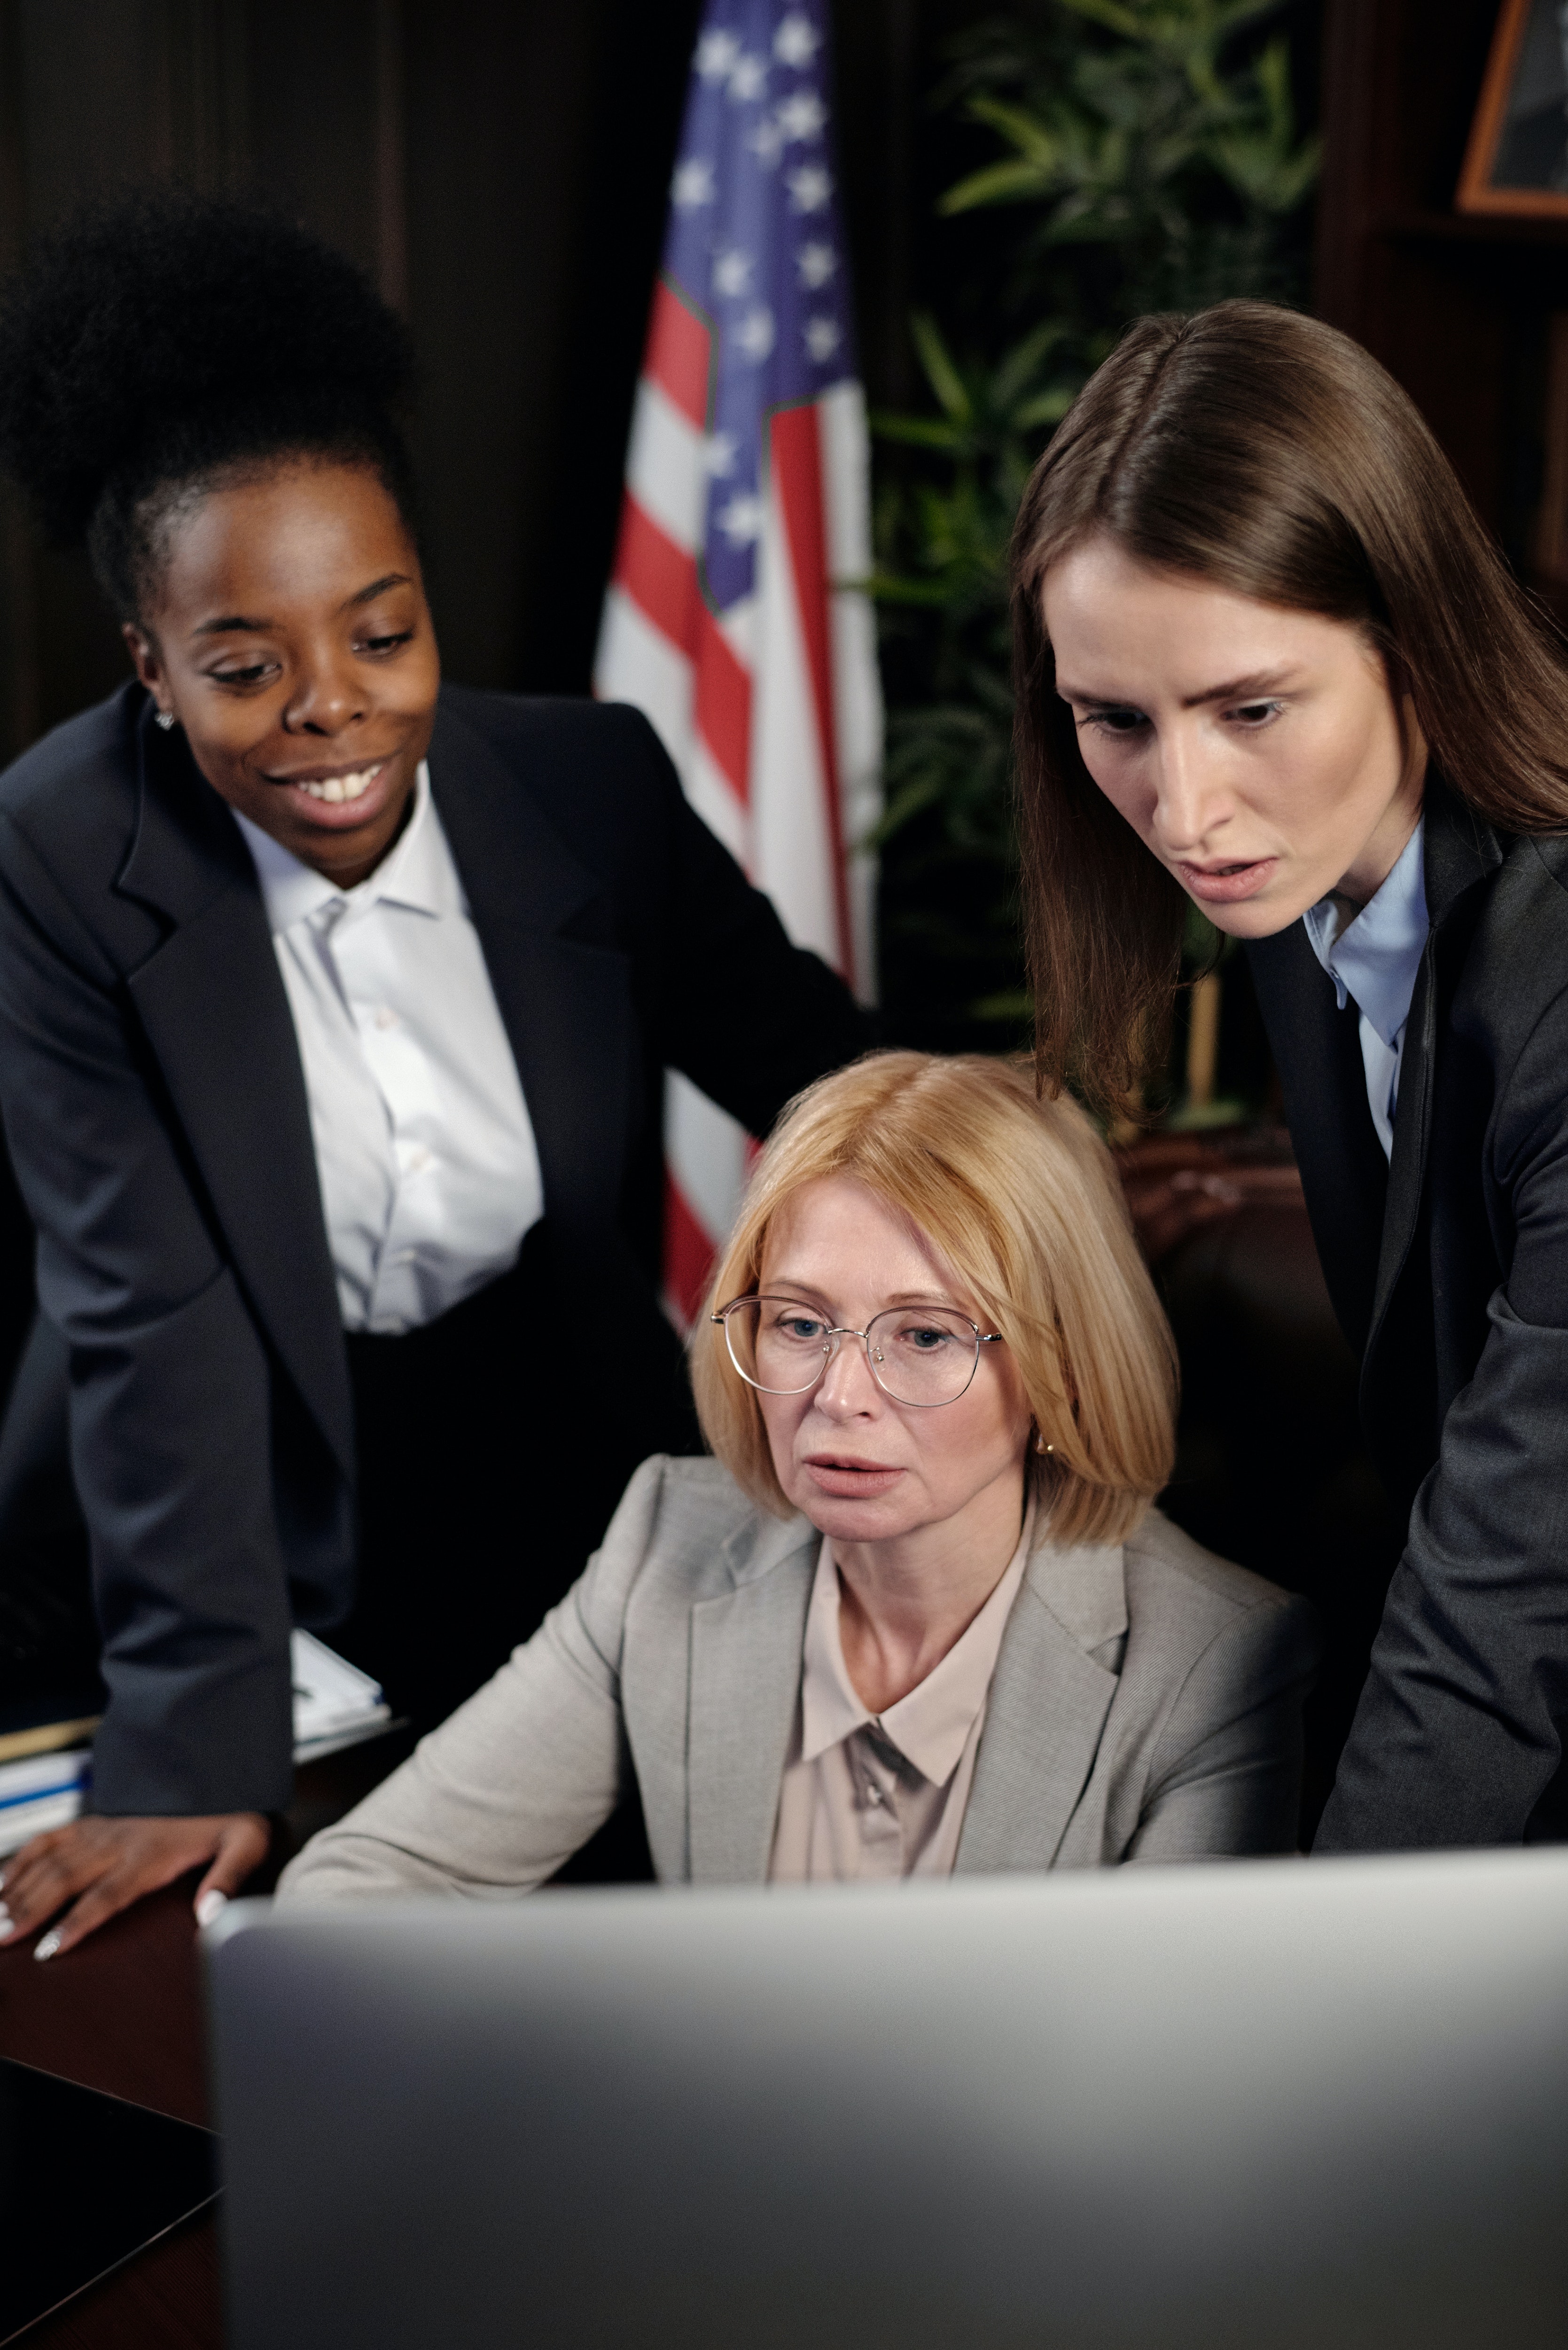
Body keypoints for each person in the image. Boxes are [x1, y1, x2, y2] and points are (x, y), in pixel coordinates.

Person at [0, 192, 872, 1958]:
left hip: (538, 1418)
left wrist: (1013, 1206)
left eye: (380, 635)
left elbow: (824, 1075)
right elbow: (143, 1307)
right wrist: (196, 1733)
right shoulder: (60, 844)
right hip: (207, 1451)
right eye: (243, 666)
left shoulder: (592, 784)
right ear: (150, 671)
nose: (331, 709)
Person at [278, 1052, 1318, 1902]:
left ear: (1059, 1367)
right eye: (801, 1323)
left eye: (922, 1333)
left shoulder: (1217, 1670)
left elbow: (1168, 2080)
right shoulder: (665, 1544)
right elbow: (363, 1883)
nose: (838, 1394)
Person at [1009, 296, 1568, 1851]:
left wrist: (1320, 2020)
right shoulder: (1301, 873)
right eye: (1110, 720)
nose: (1182, 807)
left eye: (1247, 709)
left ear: (1409, 641)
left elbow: (1508, 1597)